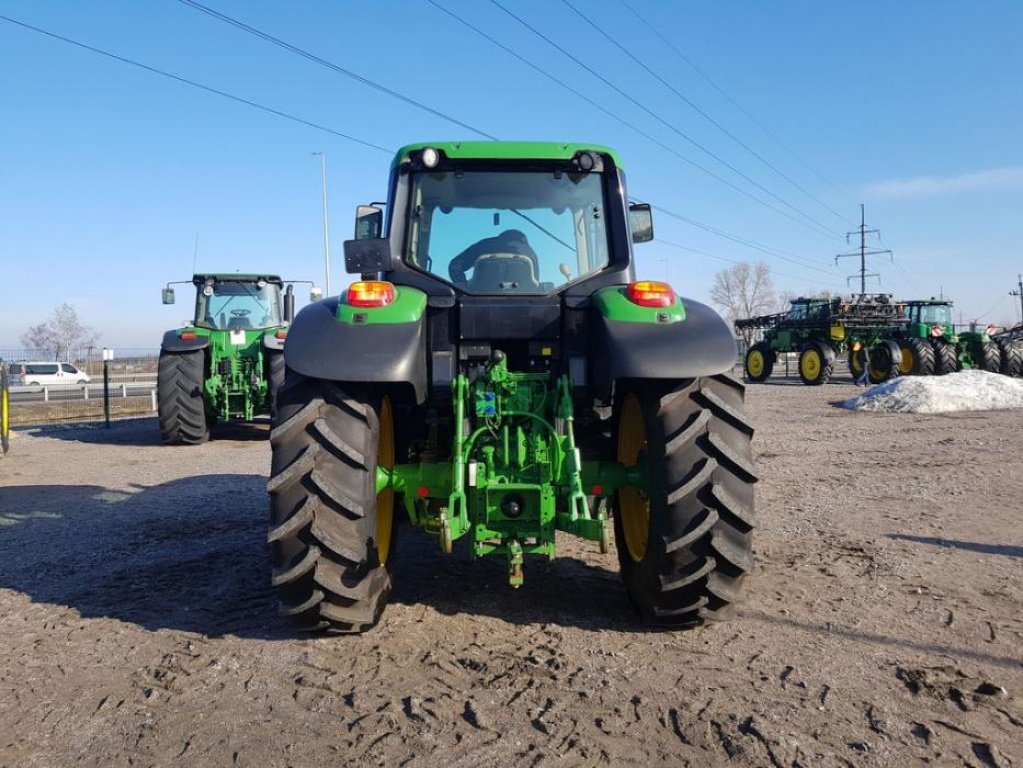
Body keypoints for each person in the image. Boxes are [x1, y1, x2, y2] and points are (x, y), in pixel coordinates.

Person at [447, 229, 539, 284]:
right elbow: (455, 266)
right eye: (509, 247)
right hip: (478, 300)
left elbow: (535, 283)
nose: (510, 253)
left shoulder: (530, 255)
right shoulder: (485, 246)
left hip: (524, 300)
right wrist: (465, 290)